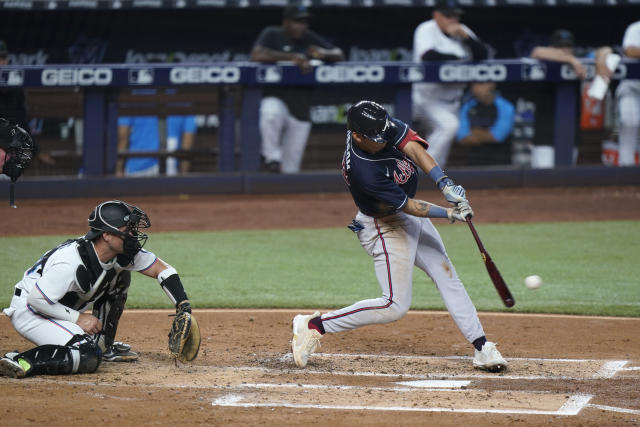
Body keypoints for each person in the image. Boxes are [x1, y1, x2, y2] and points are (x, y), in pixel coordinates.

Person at [291, 100, 508, 373]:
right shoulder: (363, 171)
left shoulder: (373, 124)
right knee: (394, 306)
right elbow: (410, 206)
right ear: (357, 136)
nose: (384, 141)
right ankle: (315, 325)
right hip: (384, 226)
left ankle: (482, 347)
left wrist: (444, 182)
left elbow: (412, 148)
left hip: (408, 217)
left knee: (447, 275)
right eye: (376, 139)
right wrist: (450, 214)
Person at [0, 200, 194, 378]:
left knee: (120, 275)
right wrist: (78, 319)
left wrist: (183, 306)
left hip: (55, 307)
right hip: (31, 312)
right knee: (87, 356)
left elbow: (163, 270)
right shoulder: (71, 262)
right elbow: (36, 300)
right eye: (128, 230)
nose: (133, 235)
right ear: (107, 235)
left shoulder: (121, 252)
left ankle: (104, 346)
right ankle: (19, 361)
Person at [250, 1, 345, 173]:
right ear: (286, 21)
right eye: (297, 21)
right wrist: (291, 57)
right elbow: (256, 55)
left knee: (290, 169)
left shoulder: (309, 38)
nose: (301, 26)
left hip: (301, 108)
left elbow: (339, 54)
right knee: (269, 112)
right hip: (277, 98)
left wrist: (323, 53)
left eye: (304, 22)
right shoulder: (273, 34)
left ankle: (281, 194)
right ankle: (271, 157)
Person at [412, 0, 489, 167]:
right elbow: (429, 56)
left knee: (442, 140)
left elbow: (483, 53)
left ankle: (430, 179)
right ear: (436, 15)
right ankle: (419, 173)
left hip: (452, 100)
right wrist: (459, 60)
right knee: (448, 127)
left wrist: (466, 38)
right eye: (448, 15)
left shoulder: (463, 31)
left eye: (455, 15)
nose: (452, 19)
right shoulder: (426, 29)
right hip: (426, 98)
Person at [456, 82, 515, 165]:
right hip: (474, 164)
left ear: (492, 84)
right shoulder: (468, 106)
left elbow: (497, 136)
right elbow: (461, 137)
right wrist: (486, 133)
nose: (475, 89)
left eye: (480, 84)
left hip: (500, 163)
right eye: (473, 85)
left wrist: (474, 132)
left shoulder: (505, 106)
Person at [117, 115, 197, 176]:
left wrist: (119, 170)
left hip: (135, 168)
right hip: (169, 168)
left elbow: (123, 138)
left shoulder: (133, 97)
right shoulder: (184, 100)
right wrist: (183, 174)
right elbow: (187, 143)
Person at [615, 21, 640, 166]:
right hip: (632, 87)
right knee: (629, 122)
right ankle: (626, 171)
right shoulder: (636, 28)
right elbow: (630, 50)